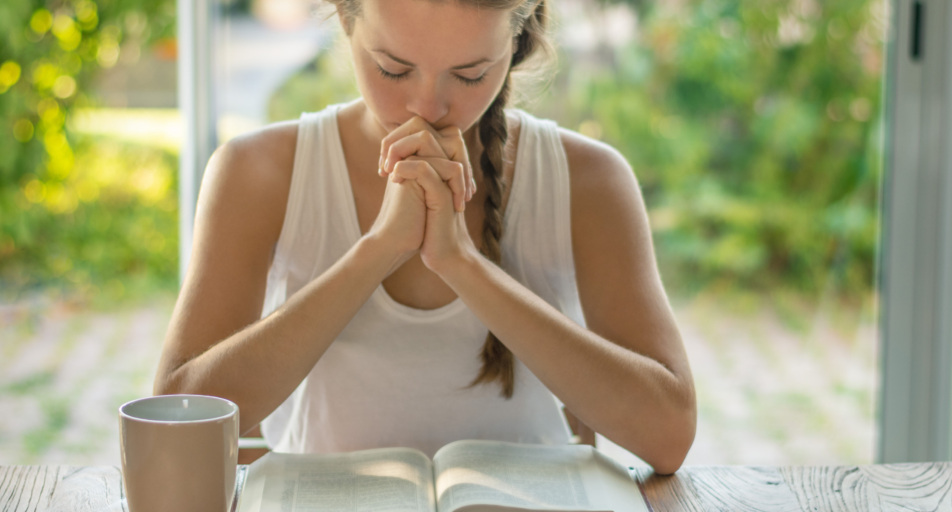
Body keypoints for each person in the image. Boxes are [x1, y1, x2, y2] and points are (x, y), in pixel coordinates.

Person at [153, 0, 696, 475]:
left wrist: (461, 262)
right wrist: (379, 249)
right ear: (345, 16)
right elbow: (174, 421)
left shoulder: (589, 180)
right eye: (393, 70)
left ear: (516, 38)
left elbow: (667, 435)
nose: (428, 109)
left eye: (469, 75)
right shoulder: (257, 172)